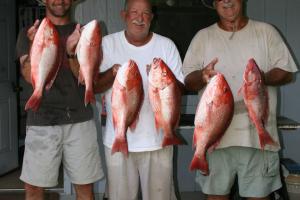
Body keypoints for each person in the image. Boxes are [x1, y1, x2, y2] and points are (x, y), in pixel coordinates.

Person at [183, 0, 298, 200]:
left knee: (259, 197)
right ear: (214, 3)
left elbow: (287, 73)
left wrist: (261, 78)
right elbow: (188, 81)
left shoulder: (266, 31)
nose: (226, 1)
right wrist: (202, 75)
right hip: (214, 139)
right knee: (216, 197)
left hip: (257, 138)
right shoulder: (203, 37)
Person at [90, 0, 184, 199]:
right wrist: (111, 74)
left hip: (158, 141)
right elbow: (94, 85)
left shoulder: (166, 46)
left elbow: (180, 89)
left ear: (152, 17)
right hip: (118, 138)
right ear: (124, 15)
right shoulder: (108, 43)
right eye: (134, 12)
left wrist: (163, 80)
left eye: (145, 13)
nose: (139, 18)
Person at [16, 0, 104, 199]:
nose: (59, 0)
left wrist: (71, 51)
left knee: (84, 188)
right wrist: (33, 45)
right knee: (34, 188)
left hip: (79, 119)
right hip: (42, 119)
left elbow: (84, 78)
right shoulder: (29, 33)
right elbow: (30, 76)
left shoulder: (84, 33)